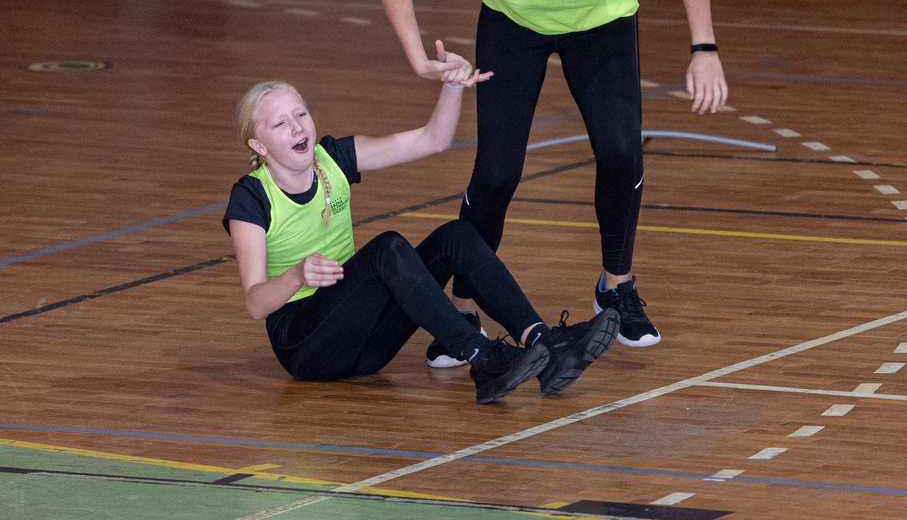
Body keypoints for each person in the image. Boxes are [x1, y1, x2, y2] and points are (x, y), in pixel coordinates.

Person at [375, 0, 728, 352]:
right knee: (496, 173)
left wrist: (704, 50)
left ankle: (615, 288)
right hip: (514, 29)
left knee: (622, 153)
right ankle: (463, 309)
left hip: (600, 28)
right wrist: (418, 60)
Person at [223, 44, 620, 405]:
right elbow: (256, 303)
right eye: (280, 124)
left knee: (455, 236)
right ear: (258, 145)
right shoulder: (251, 198)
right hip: (306, 348)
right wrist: (296, 275)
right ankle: (482, 357)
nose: (297, 127)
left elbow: (433, 140)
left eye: (301, 114)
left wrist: (452, 86)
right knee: (388, 248)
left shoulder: (334, 158)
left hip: (367, 343)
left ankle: (547, 345)